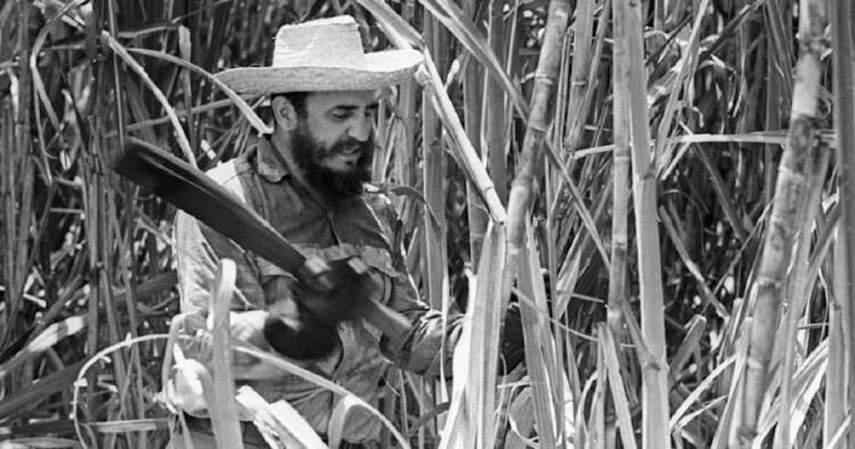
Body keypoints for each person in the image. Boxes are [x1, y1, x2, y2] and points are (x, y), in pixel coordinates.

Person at [169, 15, 522, 448]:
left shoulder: (372, 210)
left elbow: (406, 335)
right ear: (285, 113)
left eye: (367, 112)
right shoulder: (226, 205)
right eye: (341, 114)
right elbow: (199, 364)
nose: (361, 131)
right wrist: (292, 323)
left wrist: (487, 337)